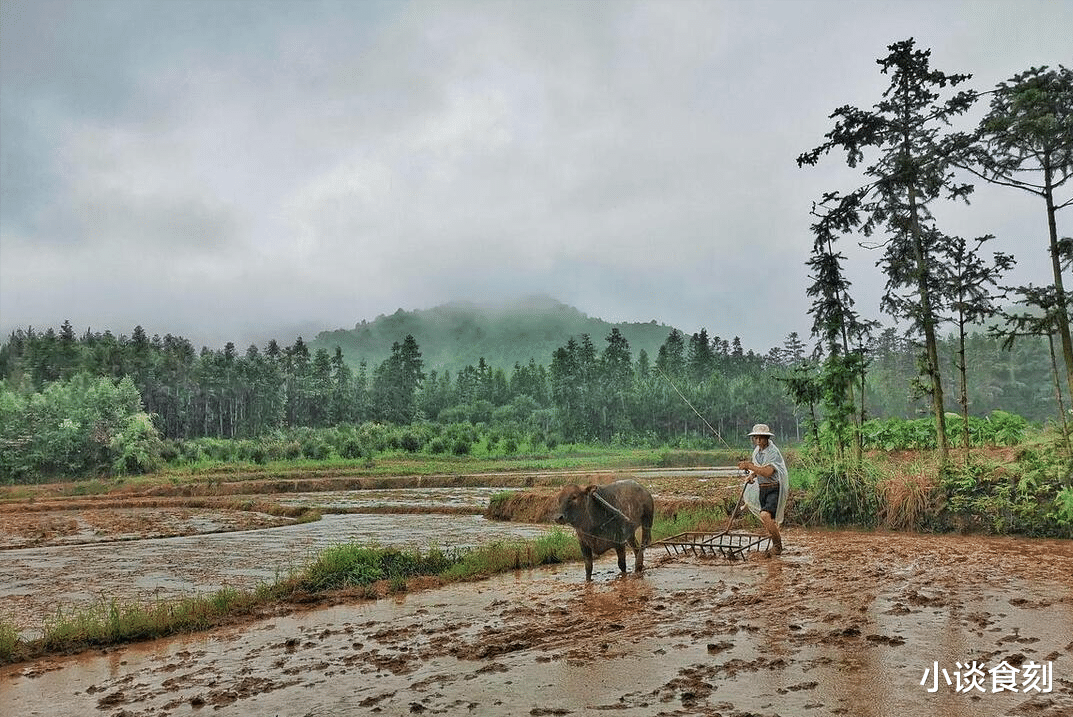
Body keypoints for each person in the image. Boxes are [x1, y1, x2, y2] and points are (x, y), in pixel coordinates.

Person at [737, 423, 788, 556]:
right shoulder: (756, 452)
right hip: (762, 488)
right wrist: (752, 475)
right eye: (756, 438)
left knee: (765, 515)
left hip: (773, 488)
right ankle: (775, 543)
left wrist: (749, 466)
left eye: (761, 437)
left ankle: (777, 546)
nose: (758, 440)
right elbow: (759, 469)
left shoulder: (773, 452)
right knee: (767, 519)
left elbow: (768, 472)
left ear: (767, 438)